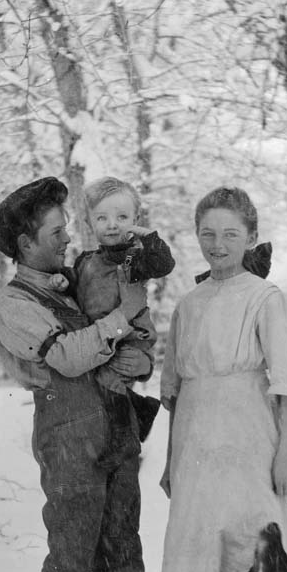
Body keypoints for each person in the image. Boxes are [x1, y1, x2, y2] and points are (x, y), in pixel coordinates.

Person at [0, 176, 153, 572]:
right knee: (73, 539)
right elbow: (68, 355)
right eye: (56, 231)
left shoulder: (75, 283)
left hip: (115, 423)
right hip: (68, 432)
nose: (67, 238)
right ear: (26, 243)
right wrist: (124, 317)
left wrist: (140, 361)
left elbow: (124, 346)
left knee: (122, 535)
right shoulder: (14, 304)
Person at [159, 185, 287, 572]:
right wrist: (173, 461)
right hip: (196, 440)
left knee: (255, 539)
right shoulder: (188, 305)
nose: (218, 245)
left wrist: (285, 454)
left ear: (251, 237)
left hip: (249, 436)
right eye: (208, 234)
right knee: (209, 539)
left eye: (231, 234)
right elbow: (174, 390)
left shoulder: (265, 298)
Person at [73, 176, 175, 447]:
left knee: (111, 388)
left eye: (121, 216)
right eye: (102, 218)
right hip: (99, 339)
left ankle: (125, 433)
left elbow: (164, 265)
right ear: (89, 222)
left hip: (128, 339)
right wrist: (62, 281)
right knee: (102, 389)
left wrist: (150, 239)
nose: (112, 224)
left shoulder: (133, 258)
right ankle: (133, 417)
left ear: (135, 219)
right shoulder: (85, 262)